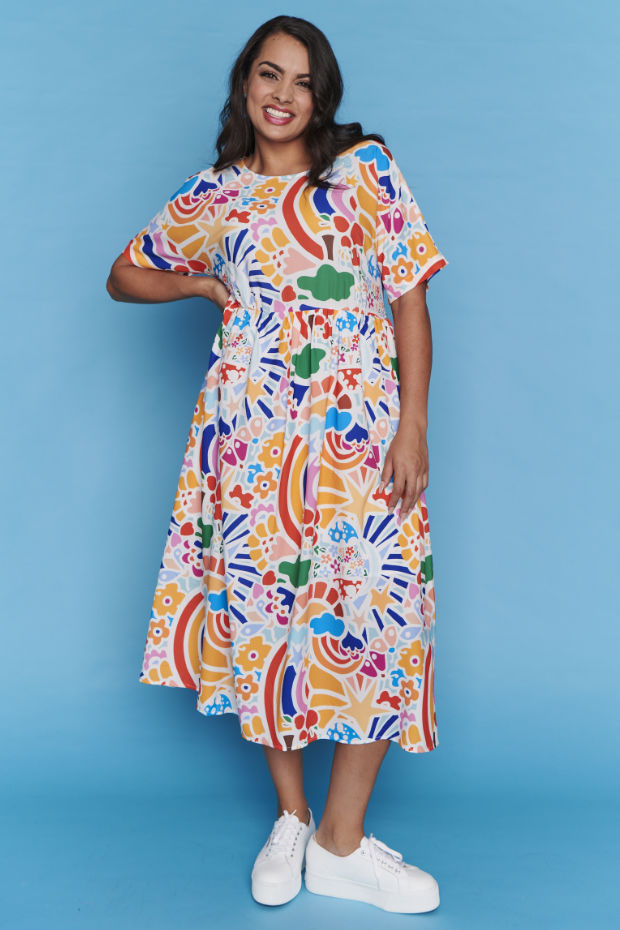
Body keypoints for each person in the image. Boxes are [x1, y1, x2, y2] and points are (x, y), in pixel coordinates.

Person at [107, 14, 447, 915]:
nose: (283, 95)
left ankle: (342, 841)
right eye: (269, 74)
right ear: (245, 84)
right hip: (252, 445)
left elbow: (410, 300)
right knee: (267, 622)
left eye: (302, 81)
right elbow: (124, 274)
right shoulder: (216, 195)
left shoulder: (366, 171)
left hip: (360, 441)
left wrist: (412, 427)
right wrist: (198, 282)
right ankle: (293, 819)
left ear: (321, 96)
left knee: (387, 619)